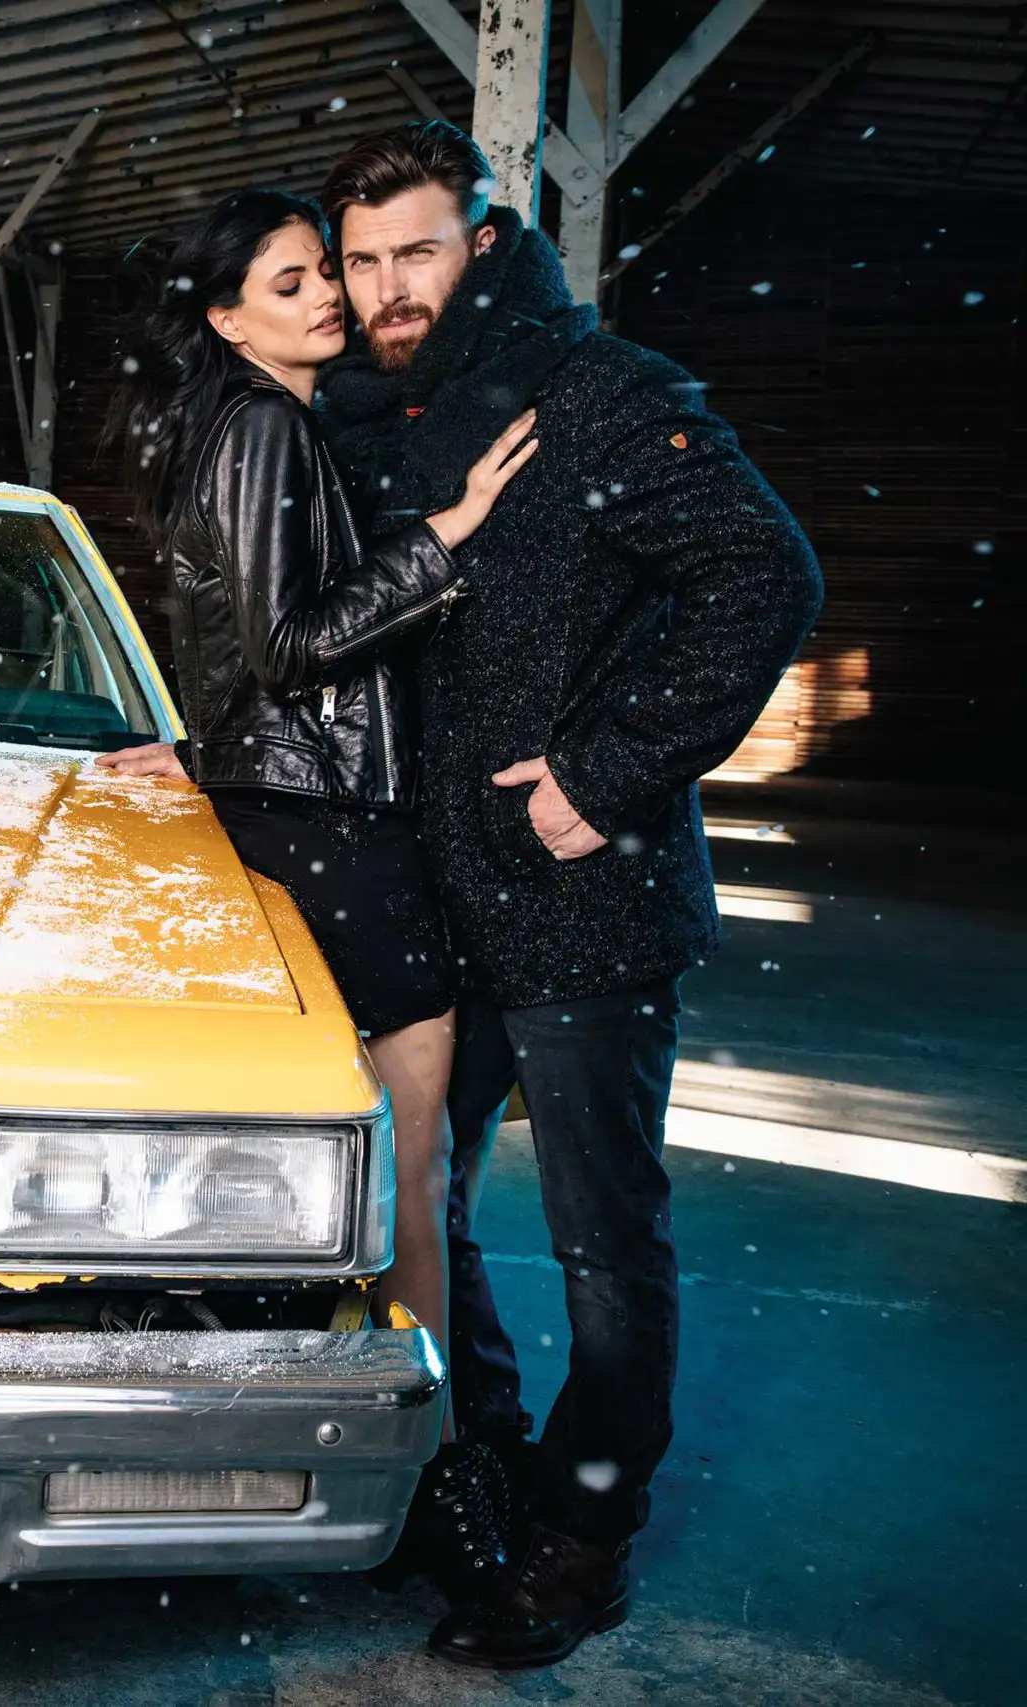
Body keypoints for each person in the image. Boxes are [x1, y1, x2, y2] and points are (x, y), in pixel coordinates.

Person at [316, 121, 821, 1668]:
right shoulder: (355, 413)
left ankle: (582, 1533)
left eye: (418, 248)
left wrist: (600, 776)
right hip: (429, 897)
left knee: (606, 1237)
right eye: (362, 259)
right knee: (416, 1205)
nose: (390, 285)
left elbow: (764, 574)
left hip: (580, 892)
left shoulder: (597, 391)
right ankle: (481, 1467)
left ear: (482, 239)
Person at [93, 188, 538, 1599]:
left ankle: (380, 1446)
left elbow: (229, 647)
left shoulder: (239, 422)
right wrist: (450, 535)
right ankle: (436, 1473)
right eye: (293, 284)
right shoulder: (269, 427)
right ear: (228, 316)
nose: (328, 299)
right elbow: (292, 645)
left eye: (322, 276)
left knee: (369, 1161)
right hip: (338, 817)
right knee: (411, 1166)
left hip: (292, 808)